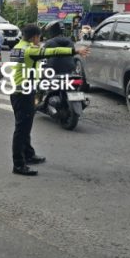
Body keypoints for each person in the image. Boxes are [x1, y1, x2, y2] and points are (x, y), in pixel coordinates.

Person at [8, 23, 90, 176]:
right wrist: (75, 50)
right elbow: (52, 51)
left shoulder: (18, 47)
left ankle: (29, 154)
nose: (40, 40)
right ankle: (18, 164)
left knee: (25, 126)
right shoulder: (30, 50)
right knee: (21, 129)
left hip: (18, 90)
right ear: (34, 37)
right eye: (39, 37)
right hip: (23, 93)